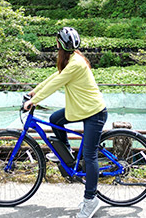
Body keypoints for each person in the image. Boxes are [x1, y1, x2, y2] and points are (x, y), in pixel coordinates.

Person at [23, 27, 107, 218]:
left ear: (59, 44)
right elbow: (55, 77)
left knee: (90, 155)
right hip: (83, 109)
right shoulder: (72, 59)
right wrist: (34, 92)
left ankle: (91, 200)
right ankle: (67, 156)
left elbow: (56, 84)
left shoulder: (76, 63)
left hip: (94, 113)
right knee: (55, 119)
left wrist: (33, 102)